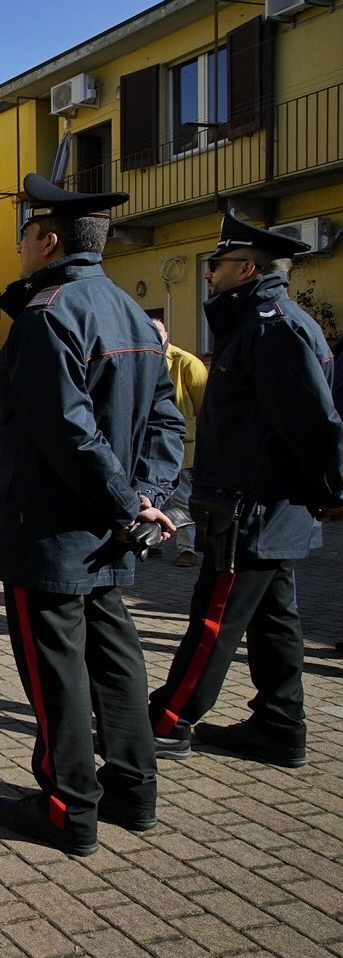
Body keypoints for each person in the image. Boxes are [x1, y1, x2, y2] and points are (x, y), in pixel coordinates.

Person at [0, 174, 185, 858]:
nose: (18, 247)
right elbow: (166, 420)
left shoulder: (50, 313)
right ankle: (133, 789)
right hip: (107, 528)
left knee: (57, 673)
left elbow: (67, 432)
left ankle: (68, 806)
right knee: (117, 660)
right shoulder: (131, 312)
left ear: (48, 239)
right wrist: (147, 497)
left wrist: (130, 501)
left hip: (49, 530)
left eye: (23, 236)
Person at [149, 215, 343, 769]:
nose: (208, 275)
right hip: (259, 504)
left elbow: (312, 420)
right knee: (275, 618)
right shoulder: (258, 323)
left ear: (247, 269)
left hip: (254, 506)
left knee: (216, 616)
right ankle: (280, 725)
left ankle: (168, 721)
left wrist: (334, 488)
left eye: (217, 266)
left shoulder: (271, 326)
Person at [149, 315, 208, 567]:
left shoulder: (186, 363)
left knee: (183, 497)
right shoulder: (144, 360)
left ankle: (188, 548)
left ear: (166, 334)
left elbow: (205, 407)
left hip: (183, 444)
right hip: (150, 443)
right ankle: (153, 541)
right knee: (154, 494)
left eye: (158, 332)